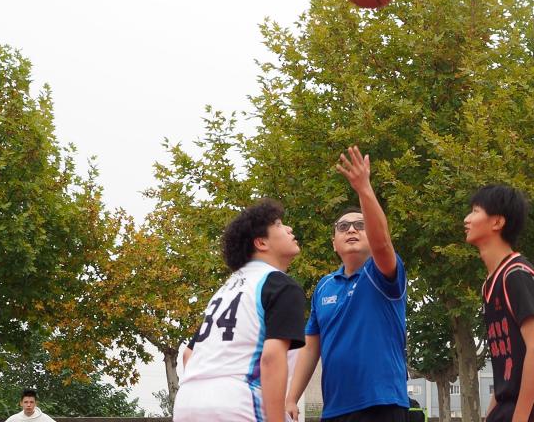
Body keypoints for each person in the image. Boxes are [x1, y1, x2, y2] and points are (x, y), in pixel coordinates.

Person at [287, 146, 409, 422]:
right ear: (333, 243)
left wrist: (364, 188)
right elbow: (311, 347)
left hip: (382, 404)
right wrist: (292, 397)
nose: (351, 229)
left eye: (360, 225)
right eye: (343, 227)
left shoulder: (382, 274)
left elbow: (382, 243)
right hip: (334, 409)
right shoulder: (324, 286)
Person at [173, 198, 306, 422]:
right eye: (278, 224)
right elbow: (271, 358)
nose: (289, 229)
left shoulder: (225, 290)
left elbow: (189, 354)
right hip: (237, 401)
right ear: (261, 243)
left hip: (188, 402)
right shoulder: (280, 285)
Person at [465, 184, 534, 422]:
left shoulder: (516, 274)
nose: (467, 219)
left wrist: (519, 418)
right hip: (512, 403)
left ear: (497, 222)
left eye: (475, 211)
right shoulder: (490, 284)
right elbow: (507, 368)